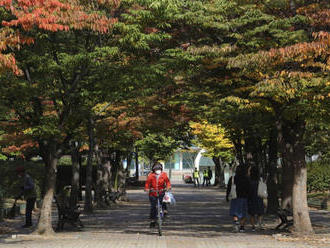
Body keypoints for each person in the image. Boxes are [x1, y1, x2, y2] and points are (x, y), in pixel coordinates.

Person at [145, 162, 171, 228]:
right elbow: (147, 184)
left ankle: (164, 210)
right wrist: (147, 189)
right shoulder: (150, 175)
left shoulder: (164, 175)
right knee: (153, 207)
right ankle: (152, 221)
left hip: (161, 192)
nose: (157, 170)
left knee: (163, 202)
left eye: (159, 168)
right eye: (156, 169)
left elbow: (168, 182)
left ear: (161, 169)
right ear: (153, 169)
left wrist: (168, 187)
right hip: (153, 193)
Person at [226, 165, 249, 232]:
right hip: (244, 197)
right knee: (243, 212)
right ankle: (242, 227)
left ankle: (236, 223)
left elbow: (228, 188)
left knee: (235, 212)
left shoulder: (232, 178)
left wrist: (227, 196)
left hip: (235, 197)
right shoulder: (246, 179)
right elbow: (249, 189)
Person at [248, 166, 265, 231]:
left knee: (252, 213)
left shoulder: (249, 180)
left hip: (251, 197)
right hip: (259, 197)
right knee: (260, 212)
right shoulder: (260, 179)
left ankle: (253, 226)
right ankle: (259, 224)